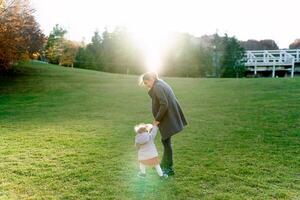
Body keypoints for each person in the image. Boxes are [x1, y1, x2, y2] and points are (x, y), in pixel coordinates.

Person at [140, 72, 187, 176]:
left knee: (166, 142)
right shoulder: (160, 83)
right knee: (165, 141)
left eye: (146, 82)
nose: (146, 85)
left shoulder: (158, 86)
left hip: (168, 117)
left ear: (152, 78)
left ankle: (169, 169)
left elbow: (164, 104)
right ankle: (164, 165)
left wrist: (157, 119)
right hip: (169, 117)